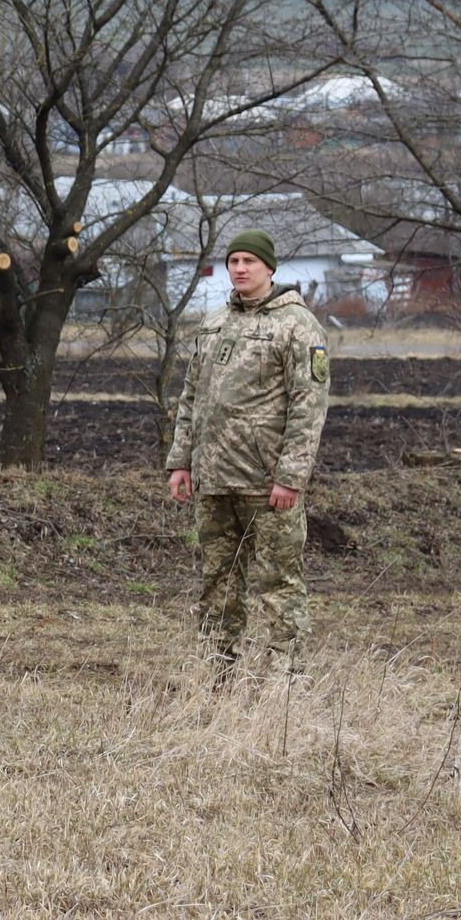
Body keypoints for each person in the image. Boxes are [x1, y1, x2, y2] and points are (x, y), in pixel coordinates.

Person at [165, 228, 330, 678]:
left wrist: (291, 476)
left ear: (269, 268)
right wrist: (181, 462)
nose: (239, 269)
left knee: (278, 582)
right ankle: (218, 674)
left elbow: (308, 406)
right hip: (214, 479)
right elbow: (191, 396)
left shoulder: (296, 325)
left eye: (249, 262)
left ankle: (288, 681)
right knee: (217, 582)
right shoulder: (214, 322)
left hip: (266, 483)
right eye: (233, 261)